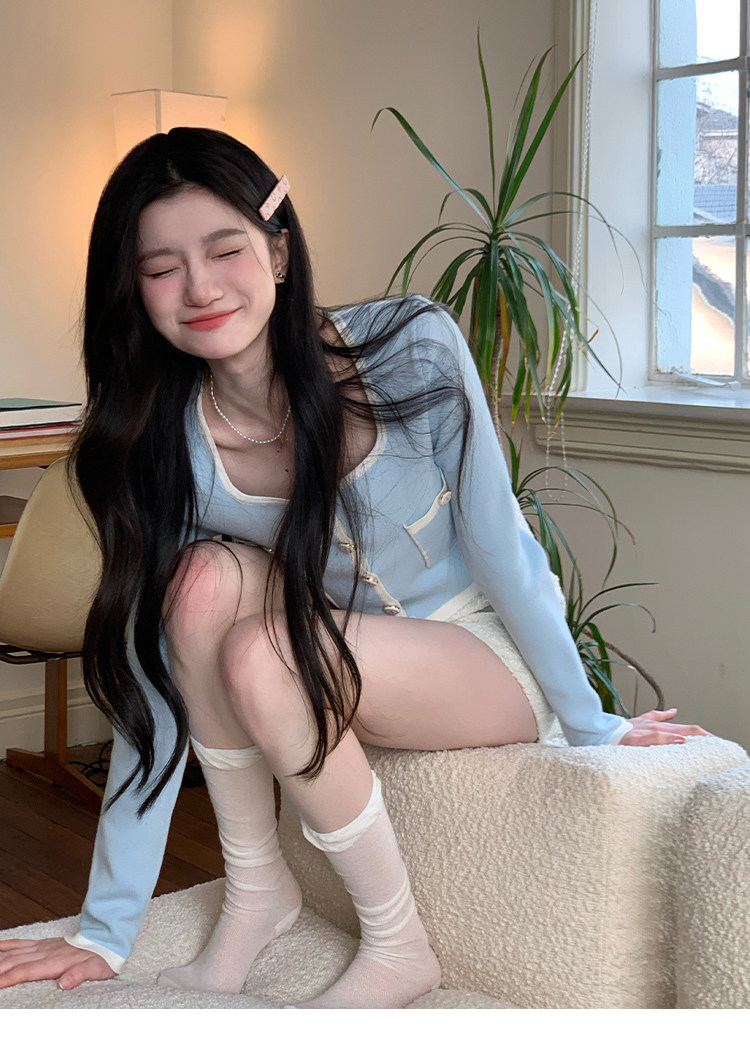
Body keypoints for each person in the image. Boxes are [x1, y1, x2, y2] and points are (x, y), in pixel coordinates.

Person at [0, 128, 708, 1008]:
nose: (201, 288)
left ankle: (399, 946)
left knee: (267, 650)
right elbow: (154, 672)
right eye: (162, 268)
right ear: (134, 290)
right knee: (198, 586)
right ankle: (258, 892)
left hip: (477, 649)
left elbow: (500, 541)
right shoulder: (166, 439)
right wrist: (104, 931)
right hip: (339, 647)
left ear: (278, 251)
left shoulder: (411, 342)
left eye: (225, 249)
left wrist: (590, 721)